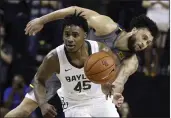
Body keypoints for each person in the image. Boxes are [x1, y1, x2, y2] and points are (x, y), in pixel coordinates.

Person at [6, 6, 158, 117]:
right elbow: (74, 10)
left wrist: (116, 94)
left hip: (85, 83)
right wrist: (42, 20)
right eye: (144, 38)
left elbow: (119, 81)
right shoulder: (107, 26)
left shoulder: (131, 61)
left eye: (148, 43)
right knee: (24, 110)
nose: (144, 44)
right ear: (134, 30)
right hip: (64, 67)